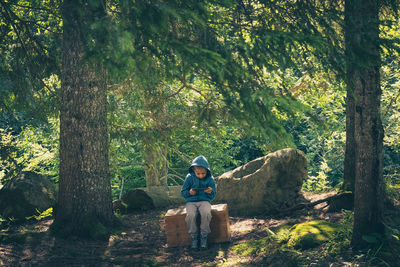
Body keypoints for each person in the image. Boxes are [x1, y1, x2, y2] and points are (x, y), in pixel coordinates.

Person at [181, 155, 217, 250]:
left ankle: (204, 236)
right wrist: (189, 192)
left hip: (204, 201)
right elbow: (183, 192)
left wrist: (210, 192)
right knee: (191, 215)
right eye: (198, 173)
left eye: (203, 173)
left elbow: (213, 195)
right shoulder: (189, 178)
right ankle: (194, 237)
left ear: (207, 170)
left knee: (205, 212)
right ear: (193, 170)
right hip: (191, 202)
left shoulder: (210, 179)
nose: (201, 175)